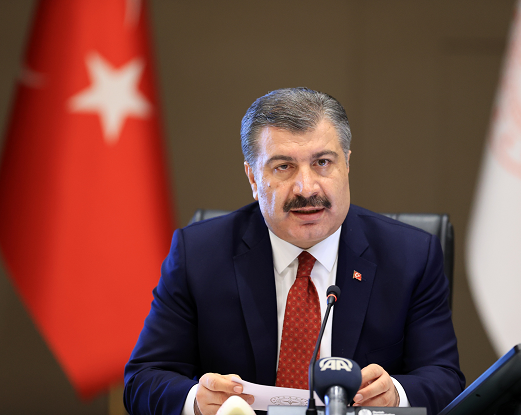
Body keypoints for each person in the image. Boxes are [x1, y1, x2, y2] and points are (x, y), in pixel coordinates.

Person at [124, 87, 465, 415]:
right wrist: (197, 401)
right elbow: (143, 378)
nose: (306, 188)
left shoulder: (411, 256)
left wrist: (396, 395)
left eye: (322, 162)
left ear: (347, 164)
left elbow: (444, 380)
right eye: (283, 167)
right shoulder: (198, 254)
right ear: (253, 178)